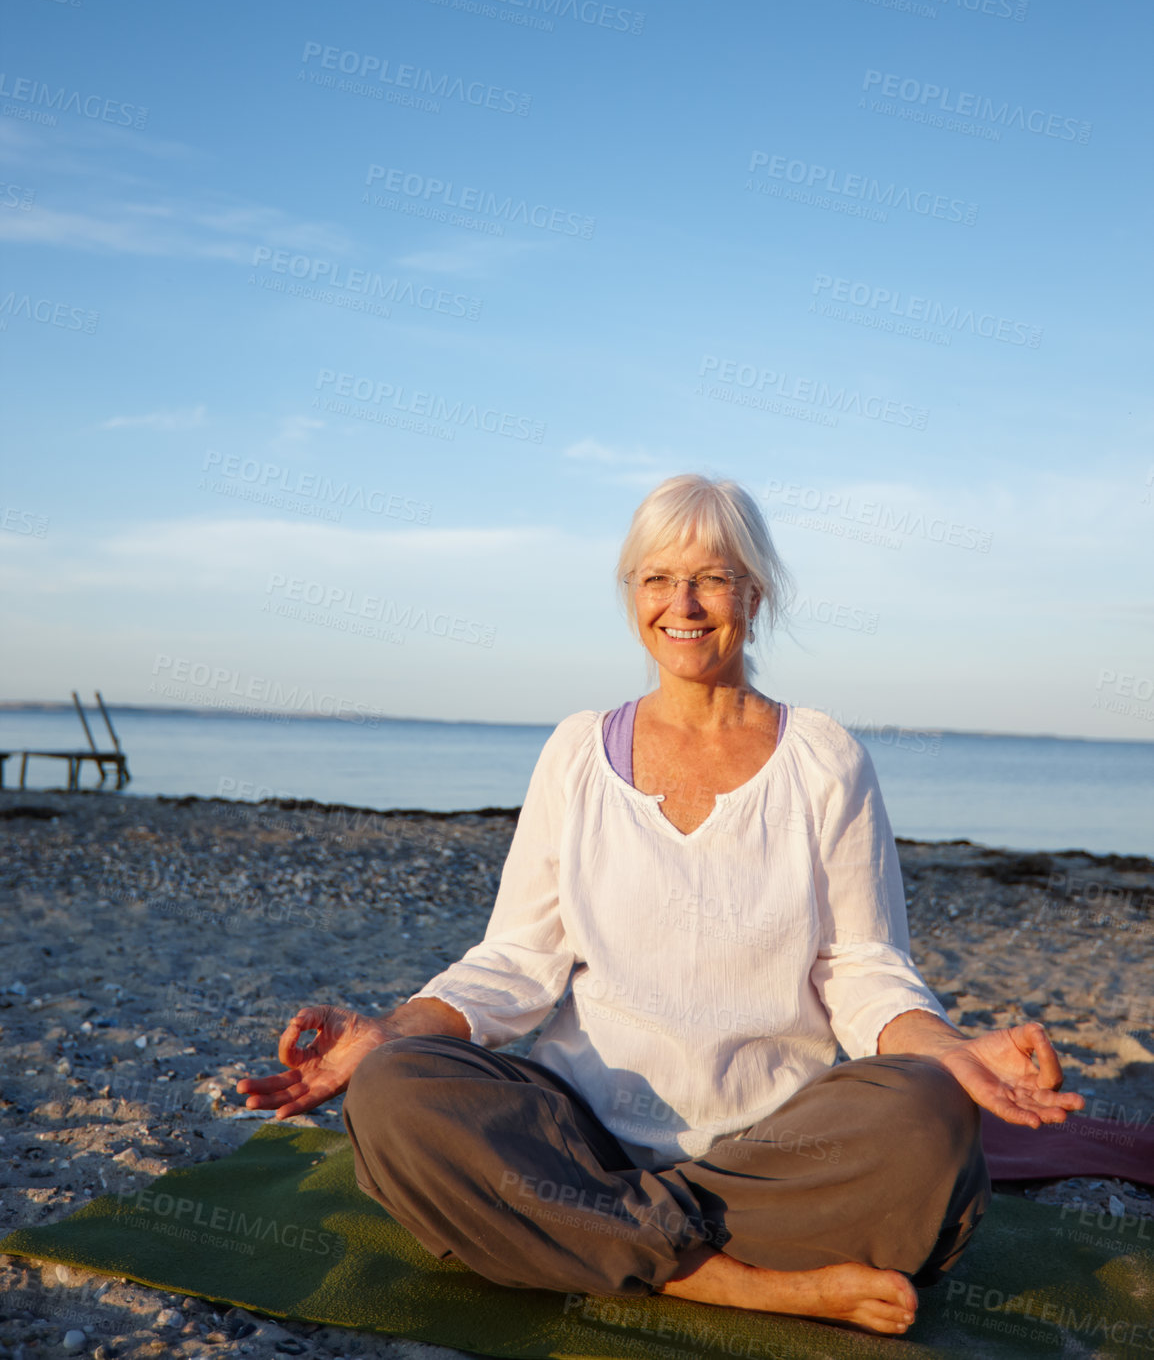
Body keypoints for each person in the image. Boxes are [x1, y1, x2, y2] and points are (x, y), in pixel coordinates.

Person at [237, 474, 1083, 1337]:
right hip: (580, 1138)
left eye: (712, 578)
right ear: (632, 594)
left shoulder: (825, 759)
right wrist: (394, 1032)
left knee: (928, 1114)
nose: (683, 603)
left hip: (773, 1154)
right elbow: (516, 960)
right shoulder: (576, 753)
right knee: (392, 1093)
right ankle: (731, 1281)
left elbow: (863, 967)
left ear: (754, 593)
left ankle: (593, 1241)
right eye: (656, 579)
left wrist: (951, 1050)